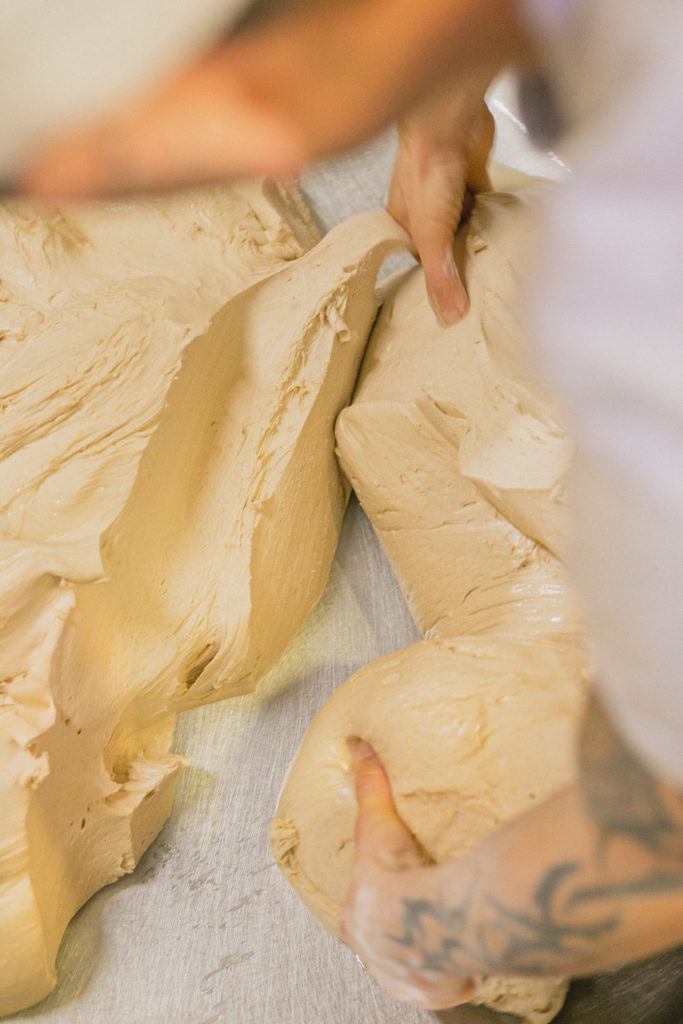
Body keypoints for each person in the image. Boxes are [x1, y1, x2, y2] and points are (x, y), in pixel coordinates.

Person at [16, 0, 683, 1010]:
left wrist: (441, 926)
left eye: (104, 160)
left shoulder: (631, 325)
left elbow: (658, 824)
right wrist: (446, 95)